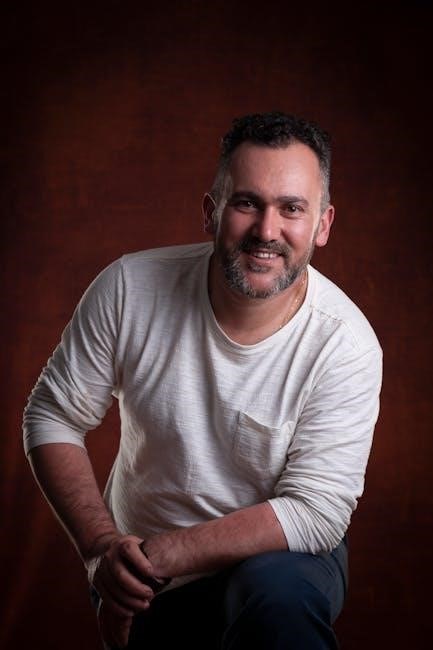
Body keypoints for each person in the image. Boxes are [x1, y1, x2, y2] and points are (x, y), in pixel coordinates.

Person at [23, 112, 382, 649]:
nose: (267, 231)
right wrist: (101, 549)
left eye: (291, 208)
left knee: (279, 594)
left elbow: (316, 512)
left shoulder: (345, 343)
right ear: (211, 211)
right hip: (139, 573)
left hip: (276, 562)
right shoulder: (129, 288)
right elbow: (52, 416)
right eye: (247, 203)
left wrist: (161, 555)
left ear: (323, 225)